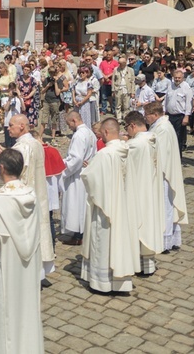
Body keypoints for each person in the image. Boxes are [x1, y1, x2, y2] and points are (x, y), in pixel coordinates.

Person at [0, 148, 44, 353]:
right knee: (25, 307)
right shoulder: (32, 196)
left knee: (1, 311)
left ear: (2, 168)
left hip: (1, 263)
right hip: (27, 263)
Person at [81, 118, 139, 293]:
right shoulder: (126, 150)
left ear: (106, 132)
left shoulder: (104, 154)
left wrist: (88, 169)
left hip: (106, 208)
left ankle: (102, 283)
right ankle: (121, 281)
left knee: (103, 241)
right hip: (123, 204)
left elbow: (90, 178)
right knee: (120, 241)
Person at [0, 114, 55, 282]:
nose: (8, 129)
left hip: (23, 199)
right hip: (38, 194)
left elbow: (11, 175)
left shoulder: (20, 149)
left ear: (22, 126)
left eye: (11, 126)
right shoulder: (36, 144)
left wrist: (5, 158)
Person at [123, 111, 165, 275]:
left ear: (133, 125)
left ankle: (140, 265)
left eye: (127, 128)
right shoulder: (152, 139)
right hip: (151, 187)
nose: (127, 132)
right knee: (149, 224)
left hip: (139, 190)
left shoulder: (136, 145)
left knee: (139, 225)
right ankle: (148, 264)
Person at [144, 102, 188, 252]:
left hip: (164, 174)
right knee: (168, 206)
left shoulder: (162, 128)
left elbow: (158, 152)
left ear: (155, 115)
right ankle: (172, 237)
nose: (145, 118)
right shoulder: (160, 125)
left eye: (147, 115)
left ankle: (165, 241)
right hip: (164, 171)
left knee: (165, 207)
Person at [60, 111, 97, 246]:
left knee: (75, 204)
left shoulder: (79, 135)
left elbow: (76, 158)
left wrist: (63, 170)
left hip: (77, 175)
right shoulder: (89, 132)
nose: (69, 126)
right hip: (84, 172)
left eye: (69, 123)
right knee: (82, 204)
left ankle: (77, 234)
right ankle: (81, 232)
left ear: (74, 120)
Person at [164, 69, 193, 154]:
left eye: (179, 78)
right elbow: (166, 100)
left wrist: (187, 116)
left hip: (180, 116)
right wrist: (164, 111)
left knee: (178, 138)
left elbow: (188, 103)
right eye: (175, 78)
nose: (177, 79)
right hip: (169, 115)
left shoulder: (186, 87)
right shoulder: (170, 86)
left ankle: (177, 157)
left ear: (183, 78)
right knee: (169, 137)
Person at [112, 57, 136, 121]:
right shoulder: (116, 69)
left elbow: (133, 81)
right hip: (118, 88)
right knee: (118, 104)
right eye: (119, 63)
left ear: (125, 63)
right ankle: (119, 118)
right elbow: (113, 80)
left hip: (127, 89)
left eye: (121, 63)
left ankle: (125, 117)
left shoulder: (130, 70)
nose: (120, 65)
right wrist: (113, 90)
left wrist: (133, 92)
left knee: (126, 105)